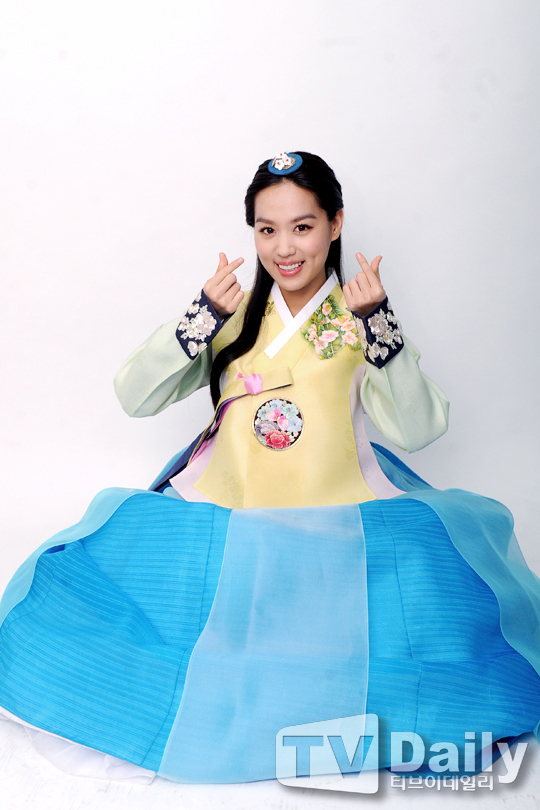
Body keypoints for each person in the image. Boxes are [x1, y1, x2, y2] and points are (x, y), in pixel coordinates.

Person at [1, 151, 540, 787]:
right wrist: (201, 315)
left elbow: (419, 428)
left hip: (332, 526)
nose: (284, 248)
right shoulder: (232, 316)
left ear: (336, 224)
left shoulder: (360, 321)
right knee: (82, 584)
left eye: (303, 227)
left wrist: (379, 324)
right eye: (267, 229)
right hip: (228, 515)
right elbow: (135, 396)